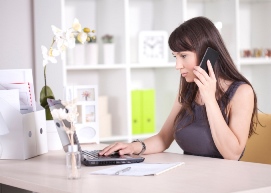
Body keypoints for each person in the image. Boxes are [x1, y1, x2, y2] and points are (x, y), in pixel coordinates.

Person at [99, 16, 258, 160]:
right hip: (188, 177)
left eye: (183, 56)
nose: (177, 65)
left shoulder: (241, 92)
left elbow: (232, 155)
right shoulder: (189, 88)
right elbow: (164, 138)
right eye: (175, 57)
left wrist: (209, 99)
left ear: (207, 53)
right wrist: (133, 147)